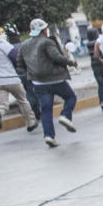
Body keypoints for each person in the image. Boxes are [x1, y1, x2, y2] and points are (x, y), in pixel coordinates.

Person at [18, 18, 78, 148]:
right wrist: (71, 62)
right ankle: (65, 116)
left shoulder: (24, 45)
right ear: (44, 30)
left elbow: (20, 64)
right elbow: (57, 57)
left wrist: (32, 72)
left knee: (46, 110)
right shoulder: (47, 42)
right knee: (70, 97)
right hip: (55, 79)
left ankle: (49, 136)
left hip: (38, 83)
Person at [0, 26, 36, 131]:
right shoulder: (4, 44)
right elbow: (15, 57)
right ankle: (31, 123)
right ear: (2, 34)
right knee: (23, 100)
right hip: (11, 78)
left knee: (3, 104)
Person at [5, 29, 41, 129]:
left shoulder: (8, 48)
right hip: (28, 72)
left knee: (22, 96)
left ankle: (30, 114)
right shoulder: (23, 46)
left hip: (16, 75)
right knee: (31, 92)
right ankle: (36, 112)